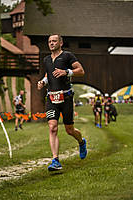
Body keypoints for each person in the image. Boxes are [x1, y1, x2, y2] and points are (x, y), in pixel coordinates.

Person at [37, 34, 87, 171]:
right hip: (51, 98)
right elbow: (48, 75)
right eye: (49, 41)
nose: (51, 43)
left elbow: (81, 71)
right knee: (52, 127)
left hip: (66, 98)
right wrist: (43, 82)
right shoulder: (46, 59)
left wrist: (67, 72)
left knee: (69, 130)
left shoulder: (67, 56)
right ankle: (55, 160)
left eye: (54, 41)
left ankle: (81, 142)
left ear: (61, 42)